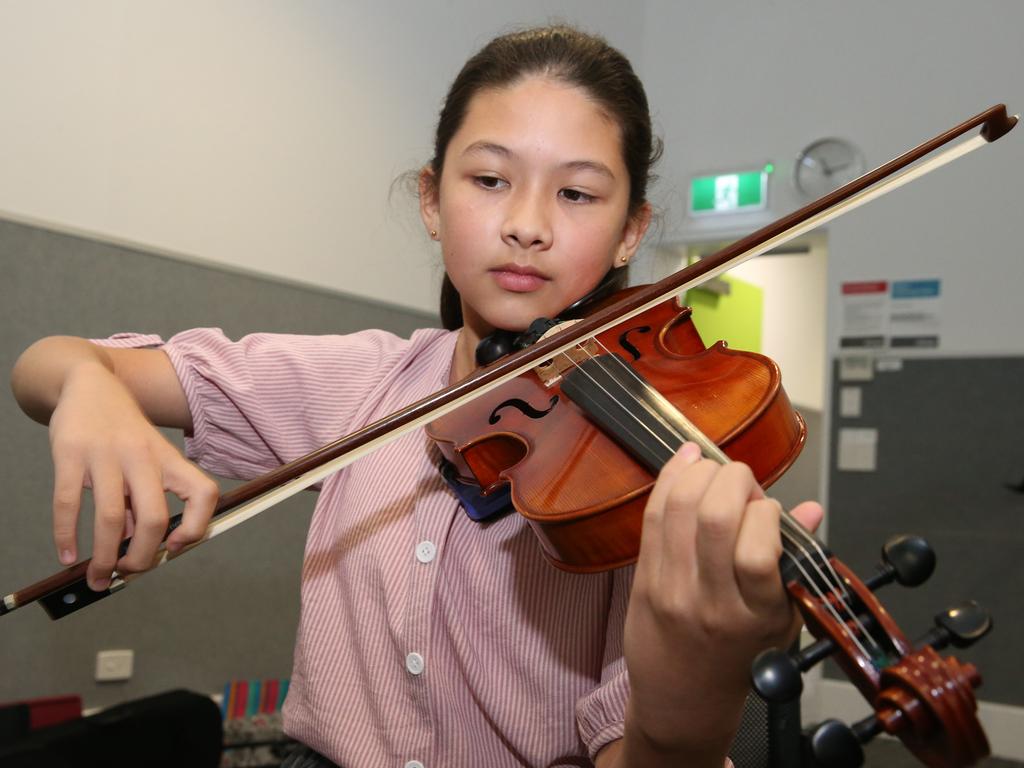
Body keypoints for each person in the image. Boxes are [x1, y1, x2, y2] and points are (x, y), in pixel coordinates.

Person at [11, 24, 821, 768]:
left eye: (577, 193)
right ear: (433, 201)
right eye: (491, 179)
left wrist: (684, 713)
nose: (528, 224)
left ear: (631, 232)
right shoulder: (363, 383)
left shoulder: (649, 474)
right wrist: (90, 383)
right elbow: (45, 368)